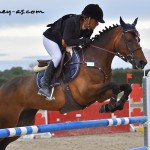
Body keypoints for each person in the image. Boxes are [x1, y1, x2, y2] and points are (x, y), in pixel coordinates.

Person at [38, 4, 105, 99]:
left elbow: (83, 44)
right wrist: (83, 41)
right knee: (57, 57)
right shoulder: (72, 22)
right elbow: (66, 41)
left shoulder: (89, 29)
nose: (97, 24)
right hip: (51, 39)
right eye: (96, 21)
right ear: (88, 19)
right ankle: (44, 85)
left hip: (64, 42)